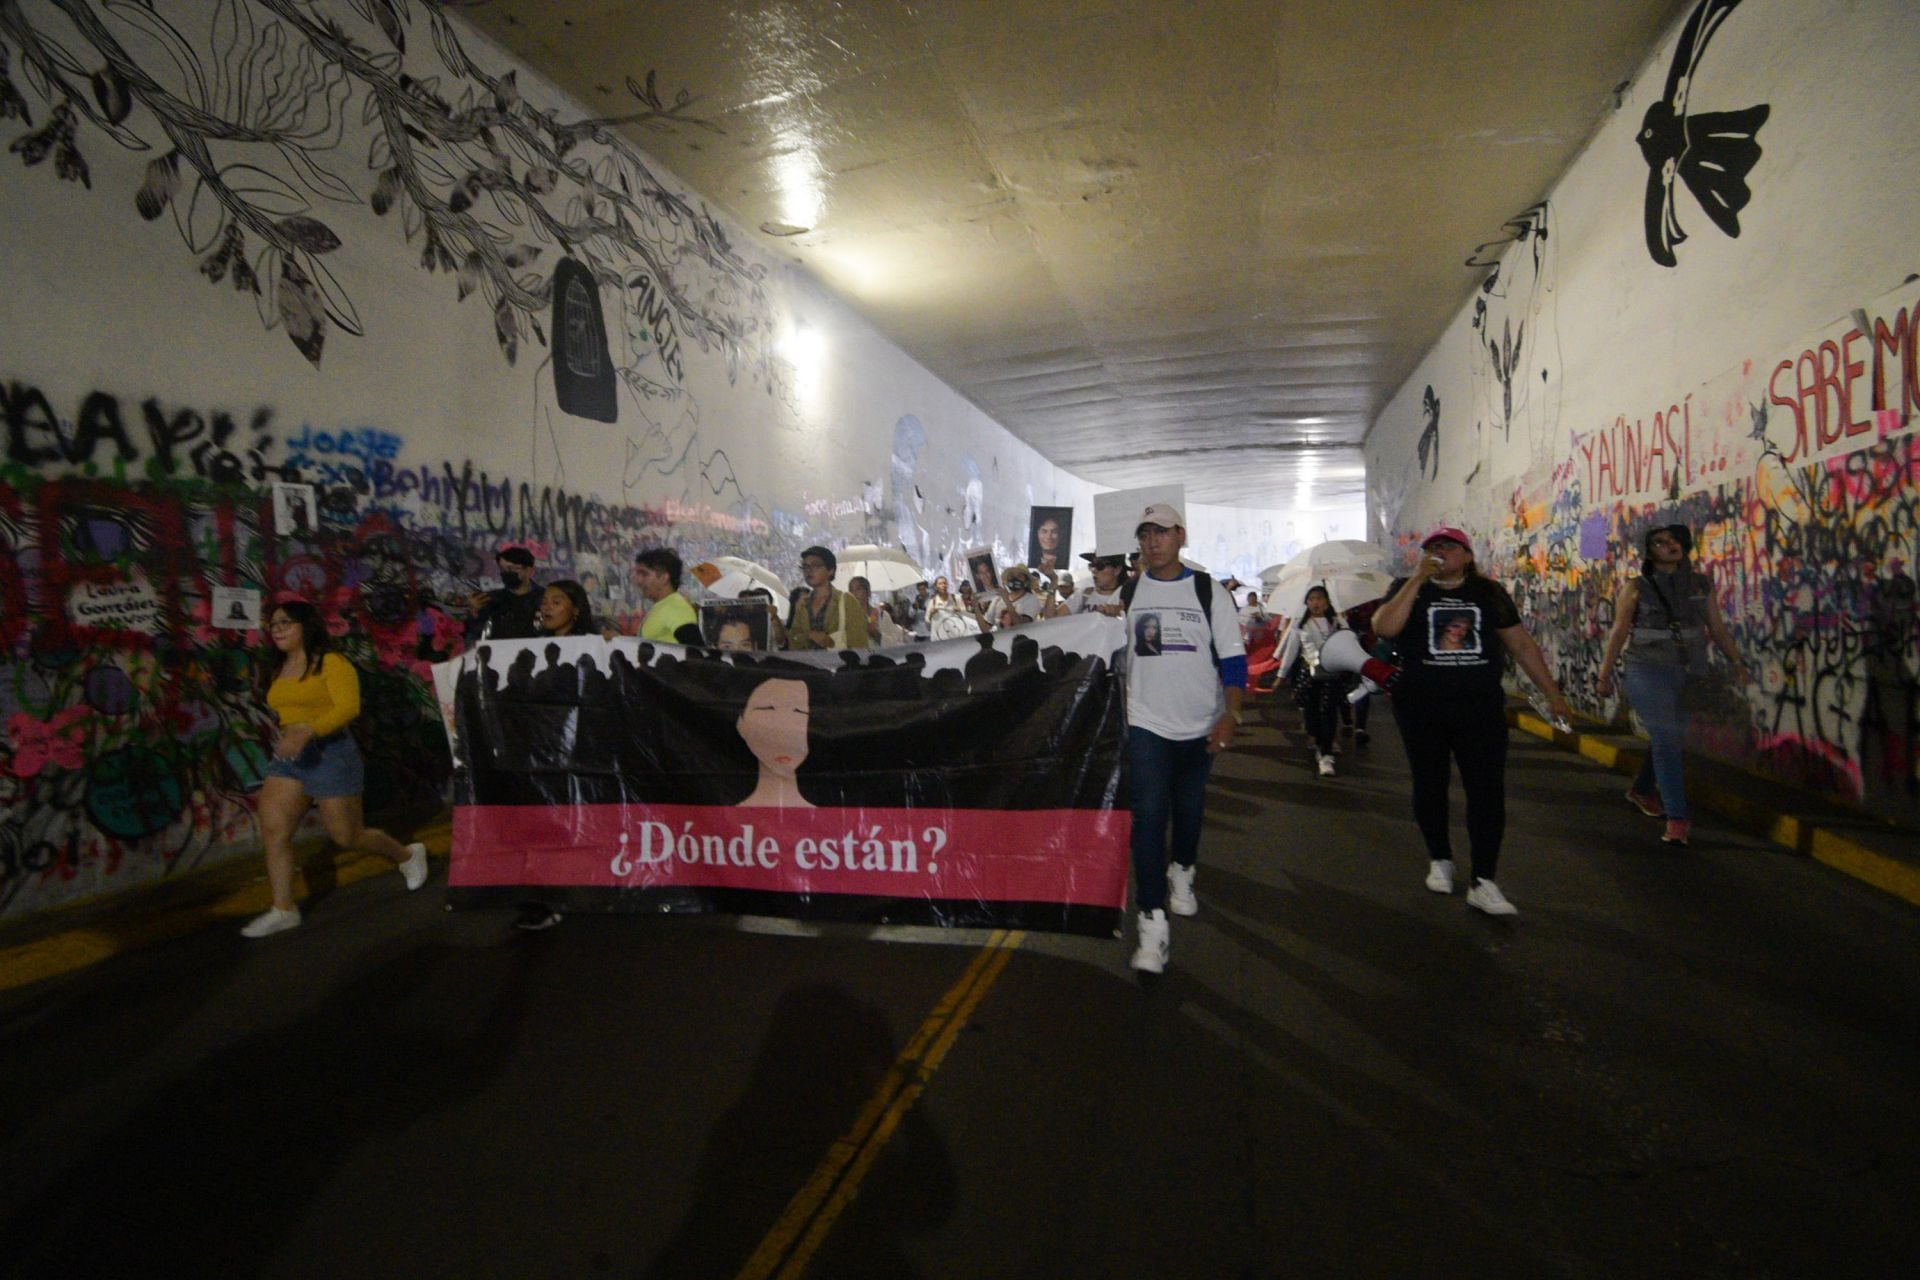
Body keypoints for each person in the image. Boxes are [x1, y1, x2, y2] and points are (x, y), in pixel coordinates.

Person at [1371, 527, 1572, 916]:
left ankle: (1484, 880)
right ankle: (1440, 859)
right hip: (1421, 708)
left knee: (1486, 790)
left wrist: (1553, 693)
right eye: (1432, 548)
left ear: (1466, 555)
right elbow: (1385, 627)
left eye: (1448, 547)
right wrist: (1416, 579)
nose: (1439, 553)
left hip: (1478, 708)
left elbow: (1521, 644)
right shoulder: (1407, 587)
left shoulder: (1488, 593)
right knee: (1430, 783)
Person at [241, 594, 429, 937]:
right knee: (274, 831)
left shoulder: (331, 663)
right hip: (291, 758)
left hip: (331, 754)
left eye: (285, 623)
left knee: (347, 835)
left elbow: (347, 708)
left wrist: (309, 729)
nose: (277, 629)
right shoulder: (277, 666)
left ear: (305, 626)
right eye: (273, 624)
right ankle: (283, 908)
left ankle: (406, 855)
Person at [1122, 503, 1246, 974]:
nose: (1153, 541)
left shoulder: (1206, 589)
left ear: (1181, 536)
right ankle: (1152, 925)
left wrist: (1231, 713)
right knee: (1150, 816)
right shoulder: (1133, 590)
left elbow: (1233, 660)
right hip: (1146, 722)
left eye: (1162, 532)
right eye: (1145, 532)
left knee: (1189, 811)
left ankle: (1184, 869)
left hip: (1199, 724)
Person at [1596, 523, 1748, 846]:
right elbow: (1619, 631)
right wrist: (1605, 674)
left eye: (1674, 540)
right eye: (1660, 542)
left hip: (1691, 672)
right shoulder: (1636, 587)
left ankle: (1641, 789)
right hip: (1647, 671)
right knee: (1666, 738)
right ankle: (1678, 818)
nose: (1670, 544)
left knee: (1671, 738)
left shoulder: (1700, 584)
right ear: (1649, 552)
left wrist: (1736, 661)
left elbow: (1717, 629)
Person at [513, 580, 598, 932]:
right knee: (539, 826)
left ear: (575, 609)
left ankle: (556, 896)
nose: (547, 608)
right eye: (544, 602)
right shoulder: (530, 648)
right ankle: (542, 897)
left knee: (562, 827)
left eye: (557, 601)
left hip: (575, 753)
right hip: (537, 751)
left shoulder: (593, 649)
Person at [1275, 584, 1347, 777]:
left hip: (1332, 675)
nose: (1315, 602)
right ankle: (1317, 738)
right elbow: (1291, 651)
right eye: (1311, 599)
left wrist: (1342, 621)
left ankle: (1326, 755)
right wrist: (1281, 676)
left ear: (1327, 602)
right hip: (1310, 676)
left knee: (1329, 712)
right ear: (1306, 603)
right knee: (1312, 713)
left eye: (1319, 598)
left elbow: (1348, 643)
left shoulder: (1337, 623)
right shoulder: (1301, 626)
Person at [735, 676, 815, 808]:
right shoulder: (713, 820)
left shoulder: (835, 820)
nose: (783, 726)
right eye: (768, 708)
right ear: (741, 724)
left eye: (799, 711)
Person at [786, 546, 870, 650]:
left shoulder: (846, 600)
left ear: (830, 570)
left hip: (840, 664)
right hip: (808, 664)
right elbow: (793, 640)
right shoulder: (803, 603)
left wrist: (831, 642)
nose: (809, 570)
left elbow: (860, 644)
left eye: (815, 565)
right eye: (805, 566)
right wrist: (808, 636)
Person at [465, 544, 542, 643]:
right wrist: (474, 611)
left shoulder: (544, 598)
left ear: (529, 571)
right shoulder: (491, 599)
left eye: (512, 568)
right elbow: (477, 632)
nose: (506, 573)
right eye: (502, 569)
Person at [633, 547, 703, 645]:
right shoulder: (664, 605)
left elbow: (697, 651)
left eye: (644, 574)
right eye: (638, 574)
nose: (638, 581)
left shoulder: (676, 607)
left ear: (663, 578)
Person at [926, 576, 980, 640]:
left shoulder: (956, 597)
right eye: (940, 584)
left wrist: (959, 609)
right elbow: (927, 621)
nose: (943, 585)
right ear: (936, 586)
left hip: (960, 632)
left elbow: (965, 613)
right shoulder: (933, 602)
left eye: (945, 583)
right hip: (944, 635)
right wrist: (931, 614)